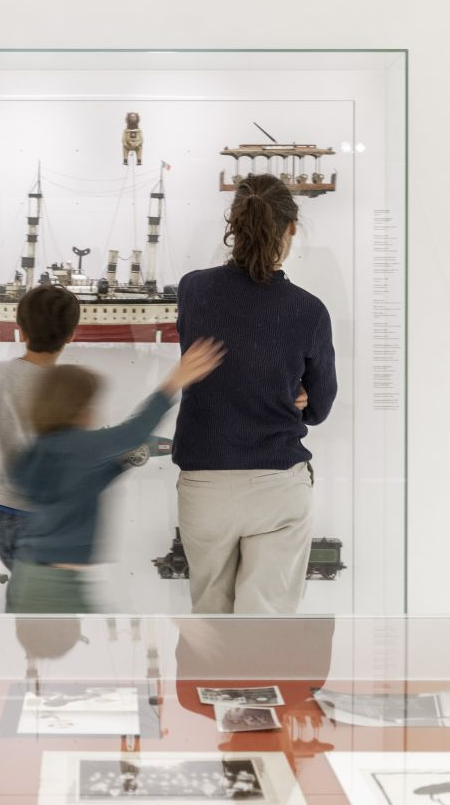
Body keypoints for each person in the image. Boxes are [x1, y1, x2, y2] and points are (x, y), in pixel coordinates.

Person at [173, 173, 337, 615]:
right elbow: (320, 406)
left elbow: (214, 361)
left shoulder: (193, 289)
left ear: (234, 224)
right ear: (291, 228)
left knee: (210, 622)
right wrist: (296, 395)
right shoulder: (309, 310)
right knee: (267, 627)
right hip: (277, 484)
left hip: (204, 482)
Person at [7, 338, 225, 613]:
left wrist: (122, 464)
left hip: (29, 576)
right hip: (56, 586)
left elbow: (80, 487)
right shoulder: (79, 446)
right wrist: (174, 381)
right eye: (90, 404)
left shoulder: (42, 449)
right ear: (77, 408)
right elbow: (133, 433)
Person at [0, 285, 80, 571]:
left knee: (25, 587)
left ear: (21, 330)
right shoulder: (63, 387)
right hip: (40, 514)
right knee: (47, 593)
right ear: (71, 335)